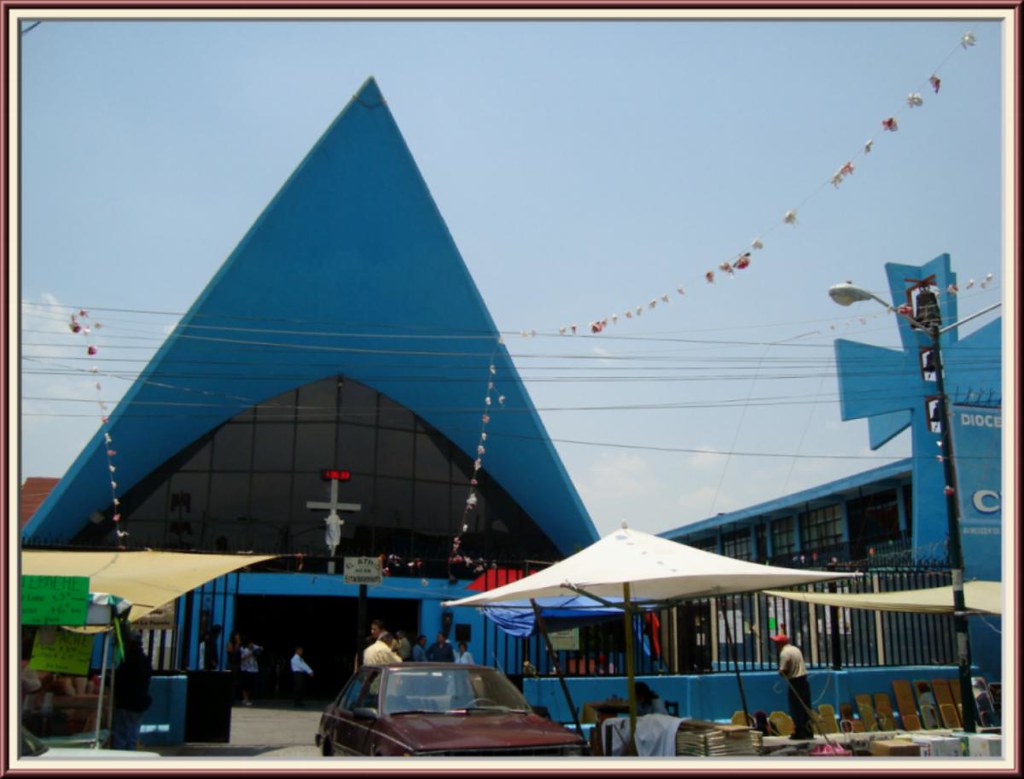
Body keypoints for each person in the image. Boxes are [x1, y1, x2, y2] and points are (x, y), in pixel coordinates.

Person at [111, 633, 152, 750]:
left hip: (126, 702)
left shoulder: (127, 660)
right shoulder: (144, 659)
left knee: (121, 735)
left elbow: (119, 680)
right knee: (133, 734)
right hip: (139, 703)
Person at [771, 633, 813, 740]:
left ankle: (799, 731)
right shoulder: (796, 649)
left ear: (781, 643)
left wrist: (780, 672)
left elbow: (784, 670)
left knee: (796, 707)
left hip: (795, 681)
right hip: (804, 679)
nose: (776, 645)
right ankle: (809, 730)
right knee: (806, 707)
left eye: (777, 643)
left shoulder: (784, 653)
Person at [239, 638, 262, 706]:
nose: (251, 644)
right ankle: (245, 699)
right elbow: (242, 658)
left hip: (253, 669)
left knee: (250, 685)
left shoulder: (253, 647)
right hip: (246, 669)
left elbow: (261, 648)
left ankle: (247, 698)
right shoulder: (243, 649)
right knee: (245, 685)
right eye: (250, 643)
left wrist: (257, 649)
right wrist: (250, 654)